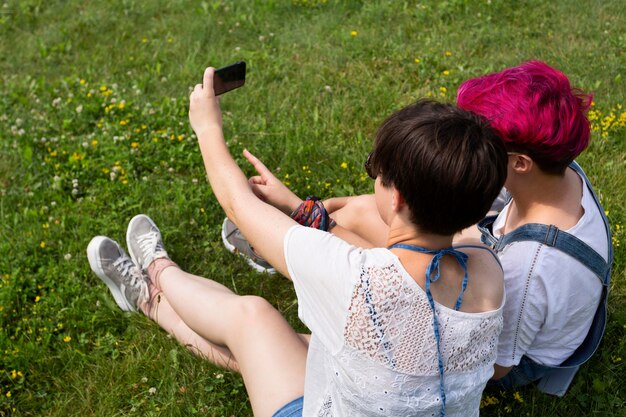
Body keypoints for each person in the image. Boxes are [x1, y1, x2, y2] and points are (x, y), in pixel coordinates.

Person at [87, 67, 509, 417]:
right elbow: (401, 264)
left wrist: (207, 127)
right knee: (291, 345)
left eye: (375, 171)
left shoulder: (352, 281)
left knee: (250, 317)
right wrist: (299, 208)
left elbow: (237, 203)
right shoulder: (488, 269)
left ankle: (156, 278)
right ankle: (153, 300)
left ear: (395, 196)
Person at [224, 60, 612, 391]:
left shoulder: (530, 269)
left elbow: (495, 366)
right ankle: (299, 225)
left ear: (520, 162)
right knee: (362, 211)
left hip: (503, 357)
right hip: (487, 260)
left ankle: (293, 249)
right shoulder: (555, 174)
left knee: (375, 287)